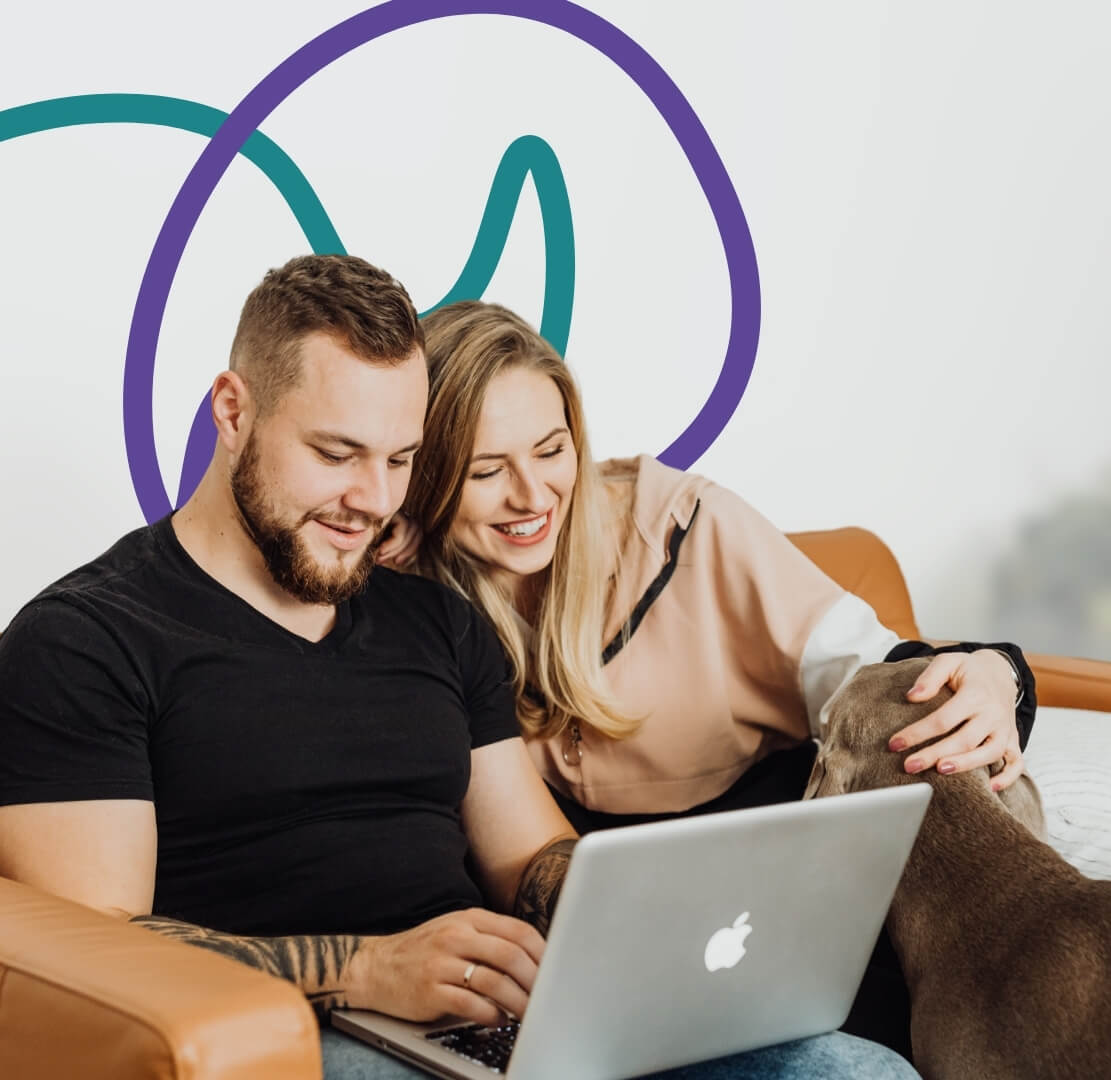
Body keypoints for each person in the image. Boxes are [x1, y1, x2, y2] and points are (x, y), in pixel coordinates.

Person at [0, 256, 918, 1079]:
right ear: (233, 411)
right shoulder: (86, 643)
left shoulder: (437, 622)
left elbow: (525, 856)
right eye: (335, 453)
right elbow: (87, 951)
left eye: (400, 461)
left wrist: (657, 915)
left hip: (495, 1024)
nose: (370, 500)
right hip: (297, 1037)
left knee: (856, 1071)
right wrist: (366, 968)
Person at [382, 300, 1039, 1059]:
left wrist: (998, 673)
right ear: (422, 477)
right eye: (485, 471)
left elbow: (875, 677)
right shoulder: (414, 602)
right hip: (620, 972)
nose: (532, 496)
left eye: (552, 449)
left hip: (800, 922)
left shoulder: (687, 530)